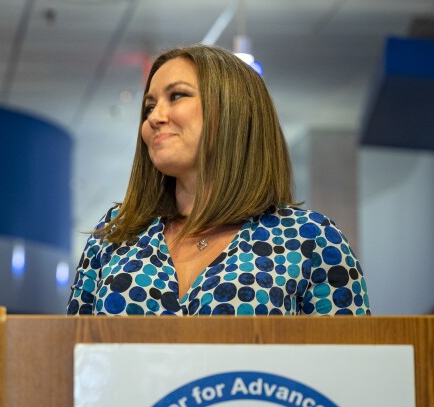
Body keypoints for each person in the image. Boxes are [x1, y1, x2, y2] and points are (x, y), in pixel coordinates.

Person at [68, 45, 369, 316]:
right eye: (149, 106)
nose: (154, 117)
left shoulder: (310, 239)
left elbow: (351, 366)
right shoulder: (116, 234)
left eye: (176, 96)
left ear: (232, 111)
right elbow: (72, 358)